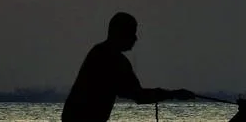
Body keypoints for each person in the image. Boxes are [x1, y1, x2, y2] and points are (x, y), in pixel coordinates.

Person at [61, 12, 195, 122]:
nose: (135, 38)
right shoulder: (114, 60)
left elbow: (132, 92)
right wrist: (173, 94)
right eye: (132, 33)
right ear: (121, 34)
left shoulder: (98, 51)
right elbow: (139, 95)